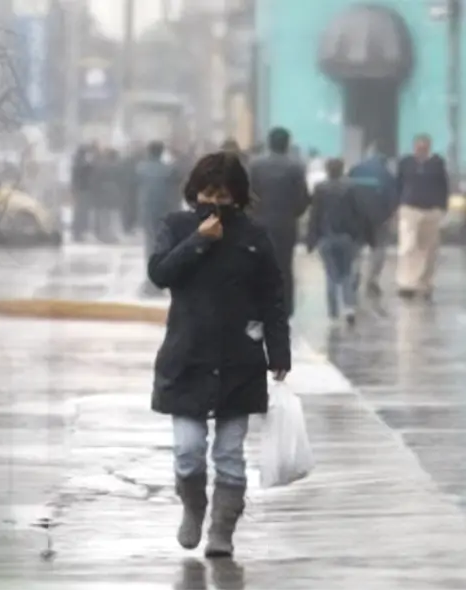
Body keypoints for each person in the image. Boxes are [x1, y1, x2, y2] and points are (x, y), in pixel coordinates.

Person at [147, 151, 291, 559]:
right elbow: (160, 273)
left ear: (238, 197)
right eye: (208, 194)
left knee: (229, 455)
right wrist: (198, 242)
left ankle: (222, 531)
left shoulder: (253, 237)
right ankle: (193, 507)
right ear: (194, 193)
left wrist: (278, 351)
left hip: (239, 360)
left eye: (224, 196)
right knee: (188, 452)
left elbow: (272, 297)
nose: (215, 203)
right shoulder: (176, 227)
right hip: (187, 356)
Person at [248, 127, 311, 316]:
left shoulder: (255, 166)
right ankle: (285, 307)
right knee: (284, 266)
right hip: (285, 224)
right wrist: (293, 214)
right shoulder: (296, 167)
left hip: (260, 223)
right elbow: (303, 199)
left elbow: (248, 196)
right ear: (287, 144)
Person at [306, 158, 376, 324]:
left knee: (330, 274)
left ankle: (333, 312)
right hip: (348, 237)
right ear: (343, 169)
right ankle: (349, 308)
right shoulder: (352, 188)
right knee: (346, 273)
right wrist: (367, 238)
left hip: (326, 236)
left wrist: (311, 240)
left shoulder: (320, 189)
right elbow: (361, 214)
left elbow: (315, 215)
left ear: (327, 170)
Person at [395, 134, 449, 300]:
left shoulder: (437, 163)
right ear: (414, 147)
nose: (421, 150)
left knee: (428, 249)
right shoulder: (405, 163)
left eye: (424, 147)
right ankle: (407, 283)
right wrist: (396, 205)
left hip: (431, 210)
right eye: (419, 147)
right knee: (408, 246)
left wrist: (442, 208)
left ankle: (425, 282)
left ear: (429, 147)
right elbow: (398, 183)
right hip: (409, 209)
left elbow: (444, 186)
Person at [348, 148, 399, 296]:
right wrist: (390, 216)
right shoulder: (387, 175)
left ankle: (354, 276)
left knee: (356, 249)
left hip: (357, 218)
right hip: (379, 219)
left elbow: (346, 191)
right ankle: (372, 280)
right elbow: (393, 199)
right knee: (378, 249)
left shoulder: (355, 170)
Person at [136, 140, 180, 296]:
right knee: (163, 245)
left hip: (148, 212)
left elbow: (137, 190)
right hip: (165, 213)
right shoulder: (169, 169)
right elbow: (176, 192)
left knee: (150, 245)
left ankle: (151, 280)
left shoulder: (141, 168)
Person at [70, 142, 100, 242]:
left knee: (79, 212)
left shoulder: (76, 162)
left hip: (79, 190)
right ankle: (78, 233)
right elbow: (88, 171)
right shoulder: (81, 163)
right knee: (81, 213)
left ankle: (77, 233)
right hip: (83, 190)